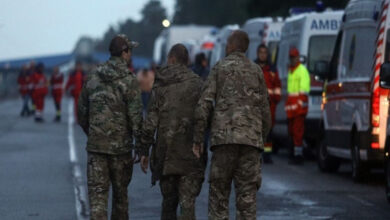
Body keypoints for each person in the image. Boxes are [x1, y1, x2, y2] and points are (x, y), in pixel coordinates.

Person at [193, 30, 271, 219]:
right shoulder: (256, 71)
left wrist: (198, 139)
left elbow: (204, 104)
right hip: (250, 143)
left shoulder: (219, 68)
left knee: (219, 199)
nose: (226, 46)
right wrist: (260, 137)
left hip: (224, 142)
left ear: (232, 45)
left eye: (228, 42)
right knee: (247, 202)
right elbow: (265, 111)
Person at [77, 34, 143, 220]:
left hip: (97, 148)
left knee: (98, 201)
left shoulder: (92, 77)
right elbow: (136, 117)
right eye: (129, 51)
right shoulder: (129, 80)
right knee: (121, 198)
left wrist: (92, 133)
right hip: (121, 150)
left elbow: (82, 112)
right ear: (124, 52)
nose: (130, 55)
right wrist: (141, 147)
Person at [140, 44, 206, 220]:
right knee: (187, 204)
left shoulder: (160, 84)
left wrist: (143, 151)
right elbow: (205, 117)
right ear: (187, 61)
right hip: (191, 155)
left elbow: (150, 121)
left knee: (168, 204)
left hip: (165, 156)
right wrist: (200, 142)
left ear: (171, 59)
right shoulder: (198, 83)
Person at [254, 44, 282, 164]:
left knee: (269, 133)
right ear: (257, 53)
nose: (262, 55)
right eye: (261, 52)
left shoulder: (272, 69)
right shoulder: (253, 67)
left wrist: (276, 99)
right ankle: (256, 155)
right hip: (255, 106)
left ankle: (267, 155)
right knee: (256, 132)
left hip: (270, 106)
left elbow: (277, 87)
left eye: (265, 52)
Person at [285, 47, 310, 165]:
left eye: (294, 57)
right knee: (292, 132)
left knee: (297, 132)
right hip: (292, 109)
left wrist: (298, 106)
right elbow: (291, 92)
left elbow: (303, 92)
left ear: (297, 57)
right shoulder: (291, 71)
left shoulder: (301, 71)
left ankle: (298, 156)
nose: (293, 59)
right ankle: (295, 154)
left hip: (298, 110)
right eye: (291, 57)